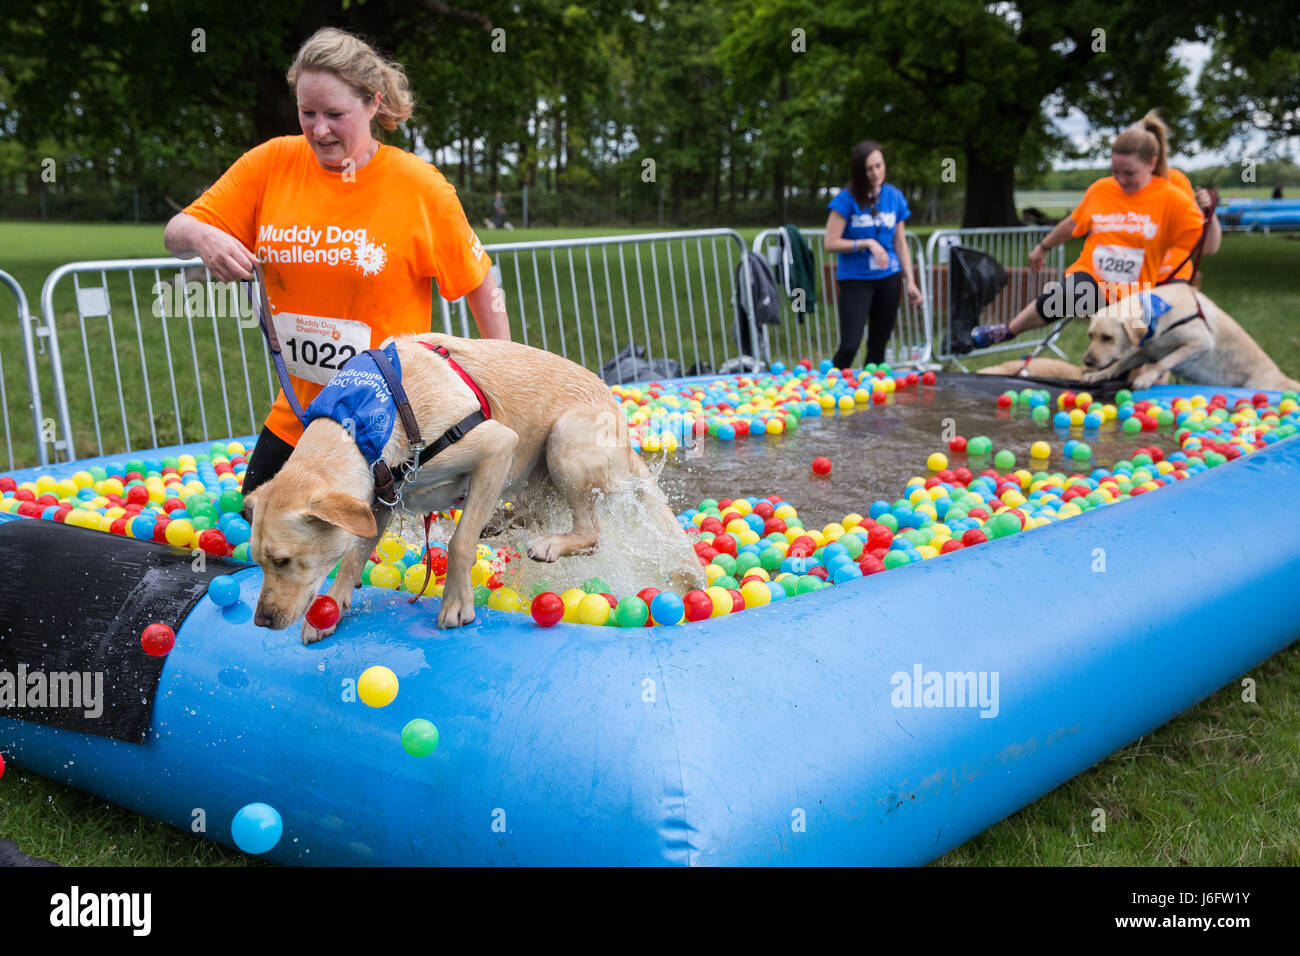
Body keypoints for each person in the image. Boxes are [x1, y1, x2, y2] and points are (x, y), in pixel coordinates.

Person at [163, 27, 510, 496]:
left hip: (388, 427)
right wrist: (204, 236)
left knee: (368, 556)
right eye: (307, 112)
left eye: (335, 114)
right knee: (258, 525)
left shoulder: (418, 186)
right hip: (301, 416)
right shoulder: (272, 164)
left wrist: (501, 394)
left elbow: (480, 283)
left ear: (373, 104)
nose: (319, 129)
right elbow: (176, 231)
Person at [971, 112, 1204, 349]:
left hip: (1137, 293)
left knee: (1128, 354)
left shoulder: (1171, 198)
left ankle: (1134, 380)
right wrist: (1043, 246)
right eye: (1115, 171)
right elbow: (1073, 223)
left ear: (1151, 163)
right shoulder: (1101, 190)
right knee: (1064, 296)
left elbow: (1207, 243)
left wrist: (1209, 213)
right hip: (1092, 277)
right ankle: (1007, 331)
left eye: (1129, 173)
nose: (1121, 180)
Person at [824, 140, 924, 369]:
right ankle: (826, 388)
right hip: (856, 279)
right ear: (860, 171)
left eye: (879, 166)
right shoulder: (846, 199)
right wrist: (866, 243)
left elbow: (900, 242)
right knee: (850, 345)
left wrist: (911, 281)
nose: (876, 173)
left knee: (878, 346)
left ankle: (872, 400)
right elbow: (830, 243)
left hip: (889, 277)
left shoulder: (894, 197)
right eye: (869, 168)